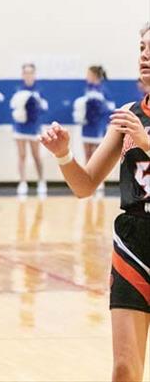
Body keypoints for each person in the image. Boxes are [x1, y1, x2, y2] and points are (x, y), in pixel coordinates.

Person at [40, 23, 150, 382]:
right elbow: (84, 185)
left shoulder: (136, 128)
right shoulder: (129, 115)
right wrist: (63, 155)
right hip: (134, 240)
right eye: (141, 48)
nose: (144, 56)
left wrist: (146, 143)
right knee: (123, 367)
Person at [10, 63, 48, 196]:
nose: (28, 75)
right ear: (22, 75)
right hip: (20, 128)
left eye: (30, 72)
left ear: (34, 74)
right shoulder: (18, 89)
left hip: (34, 128)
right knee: (22, 155)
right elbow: (13, 108)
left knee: (36, 155)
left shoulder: (39, 90)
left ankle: (41, 181)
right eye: (25, 73)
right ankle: (22, 182)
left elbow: (44, 108)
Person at [73, 65, 115, 163]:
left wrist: (100, 108)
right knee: (87, 154)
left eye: (88, 74)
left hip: (99, 126)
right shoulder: (87, 89)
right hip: (87, 125)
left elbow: (111, 108)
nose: (86, 77)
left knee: (98, 156)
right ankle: (87, 177)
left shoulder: (103, 90)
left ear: (94, 76)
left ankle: (99, 178)